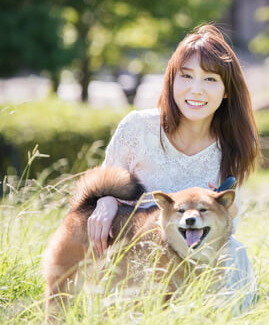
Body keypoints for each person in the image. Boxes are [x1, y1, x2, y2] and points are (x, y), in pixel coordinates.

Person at [87, 23, 259, 310]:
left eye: (210, 80)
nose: (196, 90)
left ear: (227, 90)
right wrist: (105, 200)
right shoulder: (138, 128)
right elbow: (103, 183)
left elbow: (226, 227)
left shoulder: (232, 147)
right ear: (171, 80)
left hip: (194, 260)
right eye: (186, 76)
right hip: (131, 254)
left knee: (235, 252)